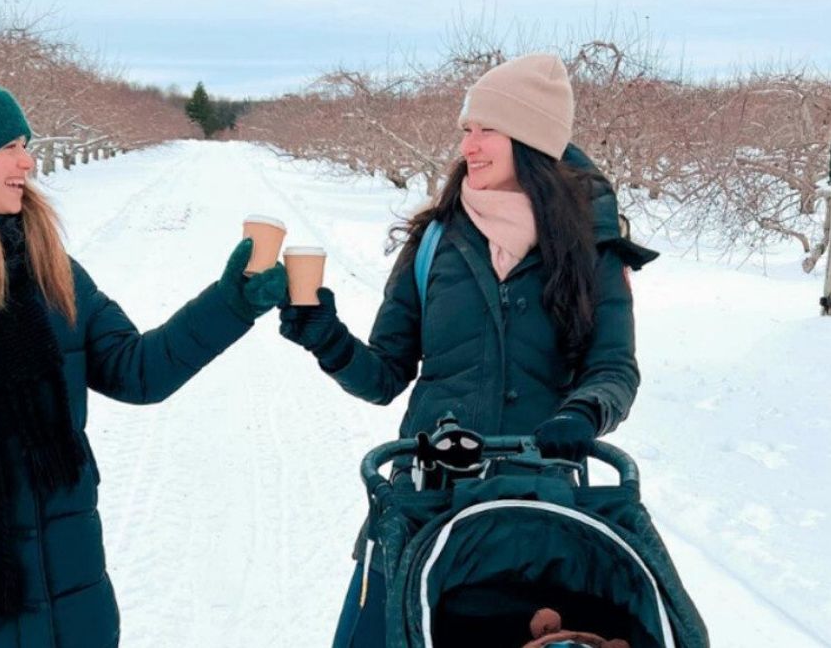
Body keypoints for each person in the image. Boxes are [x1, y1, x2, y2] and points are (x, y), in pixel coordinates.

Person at [0, 60, 287, 646]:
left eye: (26, 145)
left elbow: (139, 371)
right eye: (9, 147)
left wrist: (230, 304)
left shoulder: (51, 271)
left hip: (68, 593)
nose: (28, 162)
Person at [276, 53, 658, 647]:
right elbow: (383, 376)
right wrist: (323, 335)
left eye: (487, 130)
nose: (469, 146)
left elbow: (613, 367)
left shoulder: (591, 246)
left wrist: (581, 413)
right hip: (426, 496)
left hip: (540, 497)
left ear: (529, 140)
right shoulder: (434, 240)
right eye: (467, 130)